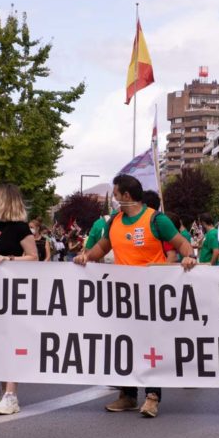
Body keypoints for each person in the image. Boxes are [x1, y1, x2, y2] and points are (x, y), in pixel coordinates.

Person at [74, 175, 197, 418]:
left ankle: (152, 396)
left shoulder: (156, 219)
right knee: (125, 346)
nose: (114, 198)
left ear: (126, 196)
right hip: (122, 297)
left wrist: (189, 256)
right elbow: (103, 247)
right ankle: (128, 395)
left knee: (151, 345)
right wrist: (86, 256)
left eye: (116, 194)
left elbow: (182, 243)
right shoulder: (114, 222)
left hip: (151, 295)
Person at [0, 184, 40, 415]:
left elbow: (33, 257)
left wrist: (9, 259)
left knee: (10, 340)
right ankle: (2, 389)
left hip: (13, 291)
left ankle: (12, 394)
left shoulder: (20, 228)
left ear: (5, 201)